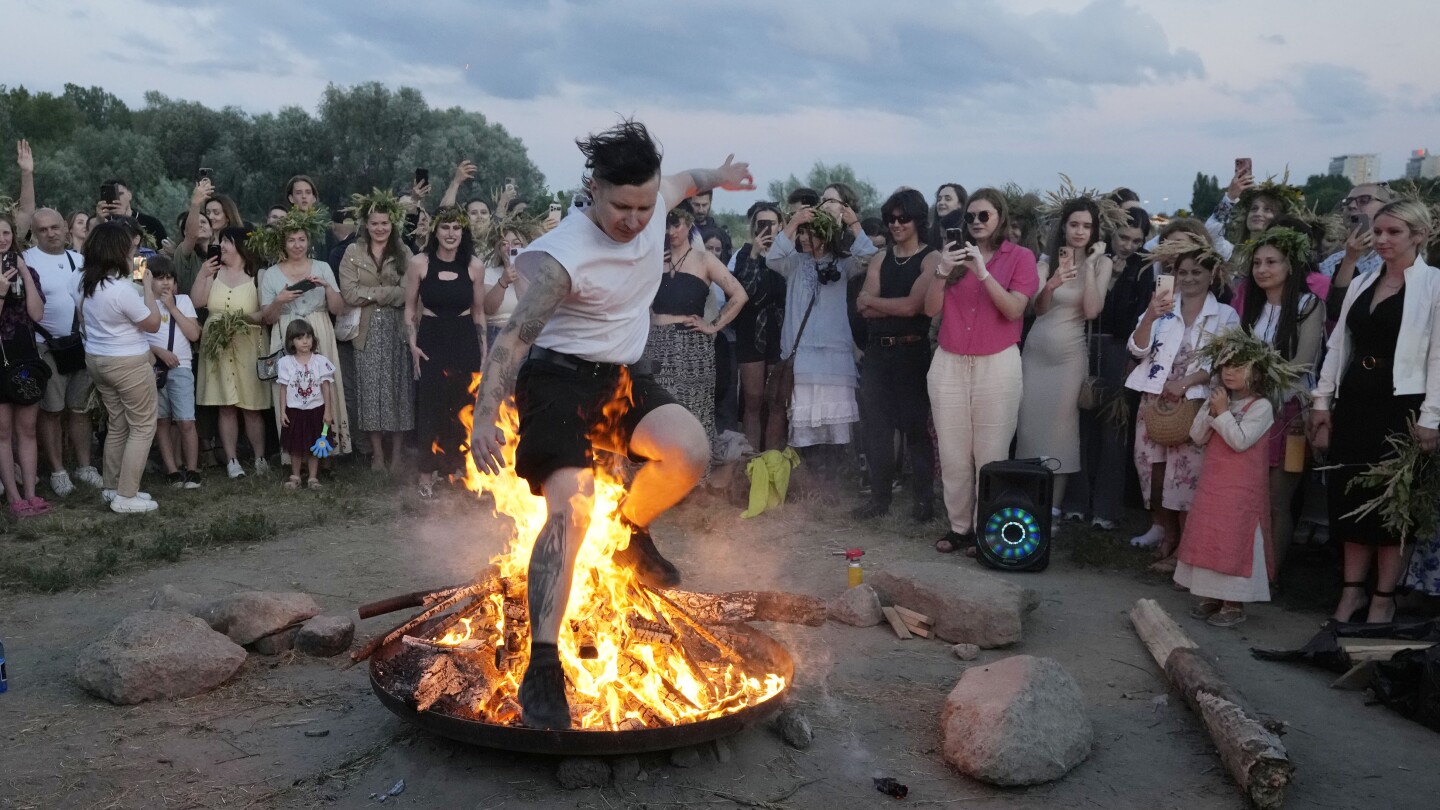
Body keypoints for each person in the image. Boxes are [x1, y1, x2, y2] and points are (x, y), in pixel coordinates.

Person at [468, 120, 752, 730]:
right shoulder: (564, 258)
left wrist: (722, 178)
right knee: (572, 506)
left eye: (645, 206)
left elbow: (691, 179)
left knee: (689, 450)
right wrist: (485, 416)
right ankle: (543, 662)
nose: (634, 220)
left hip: (620, 374)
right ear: (593, 189)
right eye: (621, 206)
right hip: (557, 380)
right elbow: (514, 339)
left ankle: (629, 533)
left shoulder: (657, 201)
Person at [1310, 199, 1440, 625]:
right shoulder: (1364, 282)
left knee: (1391, 505)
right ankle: (1351, 595)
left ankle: (1383, 597)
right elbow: (1336, 346)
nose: (1382, 240)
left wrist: (1431, 417)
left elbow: (1439, 357)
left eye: (1393, 233)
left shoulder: (1434, 285)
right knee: (1349, 495)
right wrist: (1322, 402)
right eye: (1379, 232)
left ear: (1418, 236)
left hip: (1403, 406)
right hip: (1355, 402)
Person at [924, 188, 1039, 554]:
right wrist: (943, 270)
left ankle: (986, 530)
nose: (975, 223)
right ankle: (959, 528)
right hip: (950, 361)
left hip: (997, 363)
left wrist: (984, 272)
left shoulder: (1020, 258)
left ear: (999, 217)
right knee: (954, 453)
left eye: (983, 216)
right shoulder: (951, 256)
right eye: (970, 217)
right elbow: (929, 310)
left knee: (991, 454)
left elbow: (1014, 310)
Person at [1125, 234, 1239, 570]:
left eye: (1196, 272)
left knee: (1186, 476)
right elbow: (1137, 349)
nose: (1188, 278)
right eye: (1182, 271)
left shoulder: (1225, 315)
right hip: (1155, 399)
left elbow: (1222, 360)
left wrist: (1185, 382)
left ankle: (1186, 549)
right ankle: (1168, 534)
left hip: (1194, 401)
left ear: (1211, 274)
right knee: (1154, 471)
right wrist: (1149, 314)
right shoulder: (1163, 307)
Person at [1175, 331, 1287, 628]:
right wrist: (1211, 412)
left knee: (1235, 539)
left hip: (1241, 491)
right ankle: (1212, 595)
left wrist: (1222, 413)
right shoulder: (1219, 400)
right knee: (1211, 534)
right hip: (1214, 485)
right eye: (1225, 366)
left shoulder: (1260, 407)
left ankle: (1234, 602)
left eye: (1239, 367)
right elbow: (1197, 436)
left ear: (1257, 372)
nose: (1230, 372)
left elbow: (1240, 441)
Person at [1233, 228, 1324, 574]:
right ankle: (1240, 568)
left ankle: (1268, 575)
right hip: (1247, 410)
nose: (1262, 269)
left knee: (1275, 500)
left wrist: (1259, 378)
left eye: (1271, 262)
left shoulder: (1308, 304)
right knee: (1247, 497)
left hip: (1288, 412)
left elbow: (1304, 362)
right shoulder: (1253, 307)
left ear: (1290, 265)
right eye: (1257, 262)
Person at [767, 199, 877, 484]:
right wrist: (792, 223)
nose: (805, 239)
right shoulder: (794, 263)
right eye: (803, 233)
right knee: (803, 423)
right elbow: (772, 259)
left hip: (835, 359)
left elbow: (871, 257)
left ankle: (832, 484)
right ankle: (807, 483)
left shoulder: (844, 264)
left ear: (827, 235)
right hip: (801, 357)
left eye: (811, 233)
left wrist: (853, 224)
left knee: (833, 425)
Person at [1018, 197, 1113, 518]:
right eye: (1074, 224)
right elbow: (1036, 308)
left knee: (1060, 432)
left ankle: (1054, 509)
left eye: (1087, 226)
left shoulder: (1102, 263)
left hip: (1069, 358)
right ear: (1064, 226)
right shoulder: (1045, 263)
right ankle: (1028, 501)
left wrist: (1086, 266)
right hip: (1035, 354)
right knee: (1029, 429)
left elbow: (1092, 310)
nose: (1080, 231)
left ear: (1094, 230)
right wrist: (1053, 282)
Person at [1063, 206, 1152, 530]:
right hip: (1083, 344)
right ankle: (1074, 502)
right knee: (1079, 426)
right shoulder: (1095, 259)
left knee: (1113, 432)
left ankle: (1105, 509)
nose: (1128, 245)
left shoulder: (1142, 268)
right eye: (1123, 237)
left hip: (1119, 349)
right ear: (1111, 232)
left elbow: (1140, 315)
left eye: (1136, 240)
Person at [852, 189, 937, 521]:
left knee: (915, 430)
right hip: (877, 353)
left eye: (904, 218)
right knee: (876, 429)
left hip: (912, 351)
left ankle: (923, 503)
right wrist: (885, 306)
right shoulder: (880, 257)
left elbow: (913, 306)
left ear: (918, 220)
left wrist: (879, 304)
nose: (896, 224)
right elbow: (862, 304)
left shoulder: (931, 258)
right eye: (891, 219)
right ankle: (879, 499)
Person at [642, 204, 747, 454]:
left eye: (676, 224)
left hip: (692, 347)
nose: (671, 231)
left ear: (689, 224)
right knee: (655, 416)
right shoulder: (654, 259)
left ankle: (697, 482)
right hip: (654, 344)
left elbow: (739, 295)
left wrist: (712, 326)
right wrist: (653, 268)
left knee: (693, 415)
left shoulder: (704, 259)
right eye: (666, 225)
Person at [80, 221, 163, 513]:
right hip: (127, 363)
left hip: (98, 360)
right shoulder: (119, 289)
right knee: (142, 426)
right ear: (117, 251)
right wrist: (149, 289)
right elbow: (152, 323)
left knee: (118, 424)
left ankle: (112, 487)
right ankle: (127, 495)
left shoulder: (87, 283)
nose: (134, 254)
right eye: (130, 249)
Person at [405, 207, 486, 497]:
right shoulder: (420, 263)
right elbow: (410, 309)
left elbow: (478, 312)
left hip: (464, 338)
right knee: (430, 406)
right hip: (431, 338)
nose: (451, 233)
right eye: (445, 227)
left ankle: (457, 470)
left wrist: (484, 352)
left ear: (463, 232)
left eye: (456, 228)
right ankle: (426, 474)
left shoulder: (474, 266)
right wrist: (412, 344)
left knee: (462, 406)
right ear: (435, 231)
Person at [21, 208, 102, 497]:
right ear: (33, 232)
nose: (50, 233)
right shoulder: (26, 260)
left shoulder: (78, 260)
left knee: (81, 409)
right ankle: (57, 470)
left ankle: (84, 466)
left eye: (55, 227)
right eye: (42, 229)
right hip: (45, 345)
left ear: (66, 229)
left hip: (79, 342)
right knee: (52, 411)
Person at [259, 213, 351, 461]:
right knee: (292, 389)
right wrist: (279, 301)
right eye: (291, 240)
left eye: (302, 239)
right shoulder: (271, 274)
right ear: (283, 243)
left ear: (308, 241)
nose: (297, 245)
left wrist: (327, 287)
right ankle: (295, 452)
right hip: (287, 331)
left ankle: (327, 449)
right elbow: (267, 318)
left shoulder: (322, 267)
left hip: (318, 330)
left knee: (323, 386)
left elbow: (338, 309)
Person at [339, 191, 415, 473]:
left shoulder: (404, 252)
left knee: (399, 391)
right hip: (366, 330)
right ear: (366, 224)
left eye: (385, 223)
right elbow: (348, 293)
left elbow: (409, 292)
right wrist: (387, 294)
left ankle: (396, 455)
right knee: (369, 392)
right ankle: (377, 455)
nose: (380, 228)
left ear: (392, 224)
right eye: (375, 223)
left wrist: (370, 293)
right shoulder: (353, 252)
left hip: (398, 330)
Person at [194, 227, 270, 479]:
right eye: (220, 241)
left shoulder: (258, 275)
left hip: (249, 345)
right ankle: (232, 461)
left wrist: (240, 319)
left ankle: (259, 457)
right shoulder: (213, 272)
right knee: (226, 405)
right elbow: (196, 302)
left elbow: (266, 315)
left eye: (226, 241)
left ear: (240, 244)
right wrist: (202, 275)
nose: (221, 246)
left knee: (251, 406)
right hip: (217, 347)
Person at [0, 212, 50, 516]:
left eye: (5, 233)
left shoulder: (27, 270)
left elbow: (37, 314)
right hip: (0, 358)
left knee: (27, 428)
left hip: (25, 355)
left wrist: (25, 275)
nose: (2, 239)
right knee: (3, 431)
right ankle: (13, 496)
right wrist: (1, 290)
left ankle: (31, 493)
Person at [145, 256, 203, 489]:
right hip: (154, 368)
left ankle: (192, 468)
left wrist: (171, 307)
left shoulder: (183, 301)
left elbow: (193, 334)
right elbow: (139, 337)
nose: (165, 283)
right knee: (161, 421)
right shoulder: (142, 302)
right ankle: (171, 470)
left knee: (186, 421)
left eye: (169, 278)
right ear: (149, 281)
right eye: (159, 278)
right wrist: (159, 352)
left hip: (181, 367)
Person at [275, 319, 336, 490]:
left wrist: (328, 411)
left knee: (315, 443)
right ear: (291, 341)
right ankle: (295, 475)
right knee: (295, 445)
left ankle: (313, 477)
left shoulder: (320, 361)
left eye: (308, 337)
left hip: (316, 410)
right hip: (294, 410)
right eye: (300, 337)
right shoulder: (286, 363)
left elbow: (326, 387)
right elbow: (283, 389)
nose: (305, 341)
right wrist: (282, 411)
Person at [482, 219, 539, 348]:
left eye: (516, 243)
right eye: (504, 244)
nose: (510, 248)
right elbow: (489, 309)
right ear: (499, 249)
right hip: (497, 335)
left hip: (526, 337)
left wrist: (520, 276)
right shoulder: (490, 273)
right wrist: (503, 281)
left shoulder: (534, 275)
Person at [95, 178, 167, 244]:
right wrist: (99, 223)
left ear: (129, 195)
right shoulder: (103, 224)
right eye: (112, 195)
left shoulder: (151, 223)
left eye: (119, 194)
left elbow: (164, 254)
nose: (117, 199)